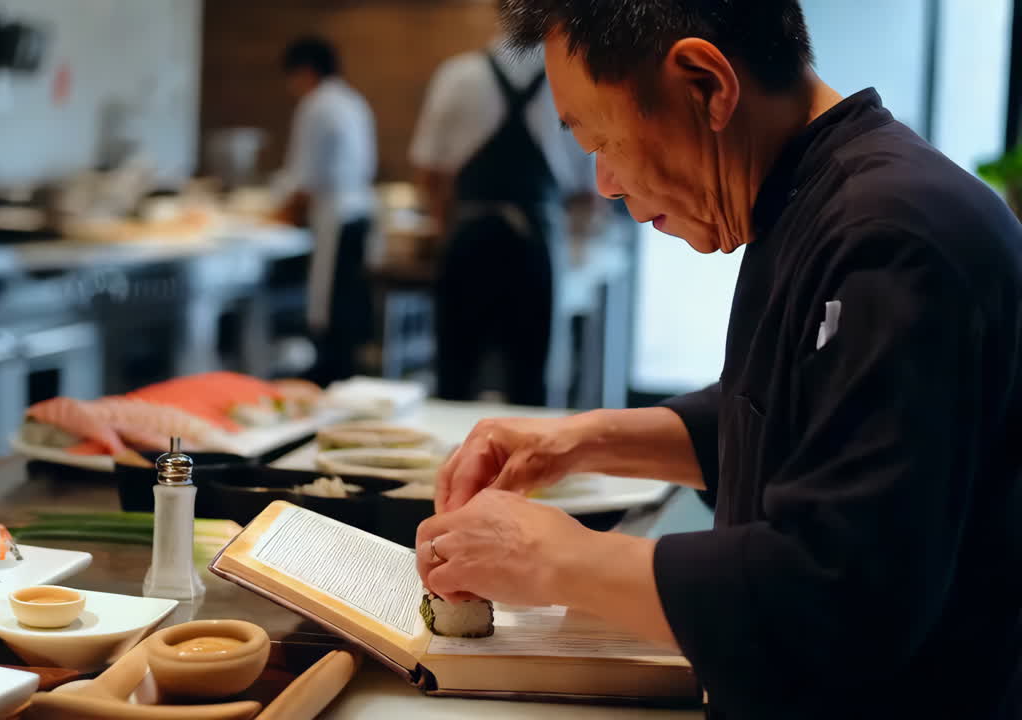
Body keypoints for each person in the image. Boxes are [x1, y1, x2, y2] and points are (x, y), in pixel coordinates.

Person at [416, 2, 1022, 719]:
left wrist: (553, 559)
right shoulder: (814, 196)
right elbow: (783, 413)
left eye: (602, 139)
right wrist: (579, 441)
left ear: (706, 85)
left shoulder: (893, 239)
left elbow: (836, 595)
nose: (605, 182)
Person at [411, 8, 596, 406]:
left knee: (455, 377)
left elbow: (429, 175)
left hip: (467, 242)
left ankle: (451, 464)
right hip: (537, 247)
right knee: (530, 383)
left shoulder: (458, 75)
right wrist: (579, 246)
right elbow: (590, 188)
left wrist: (444, 231)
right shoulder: (571, 78)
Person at [272, 37, 378, 386]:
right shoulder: (352, 100)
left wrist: (276, 217)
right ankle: (340, 381)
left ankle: (329, 386)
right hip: (359, 213)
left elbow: (304, 177)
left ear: (305, 71)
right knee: (344, 311)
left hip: (335, 216)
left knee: (332, 316)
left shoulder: (317, 105)